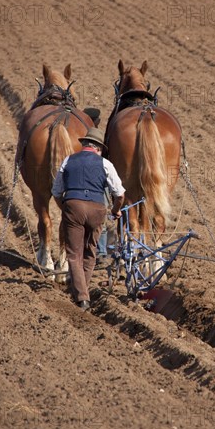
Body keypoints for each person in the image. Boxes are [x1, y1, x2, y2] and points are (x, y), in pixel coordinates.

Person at [52, 127, 125, 312]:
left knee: (74, 255)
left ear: (84, 144)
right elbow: (120, 194)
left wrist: (66, 208)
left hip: (73, 206)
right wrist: (115, 210)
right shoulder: (105, 163)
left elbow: (56, 191)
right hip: (97, 209)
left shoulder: (68, 160)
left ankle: (82, 297)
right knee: (90, 252)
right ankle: (82, 293)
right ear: (98, 148)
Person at [83, 107, 108, 263]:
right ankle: (101, 250)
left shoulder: (84, 136)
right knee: (101, 219)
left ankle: (85, 249)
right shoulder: (99, 137)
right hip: (100, 183)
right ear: (97, 121)